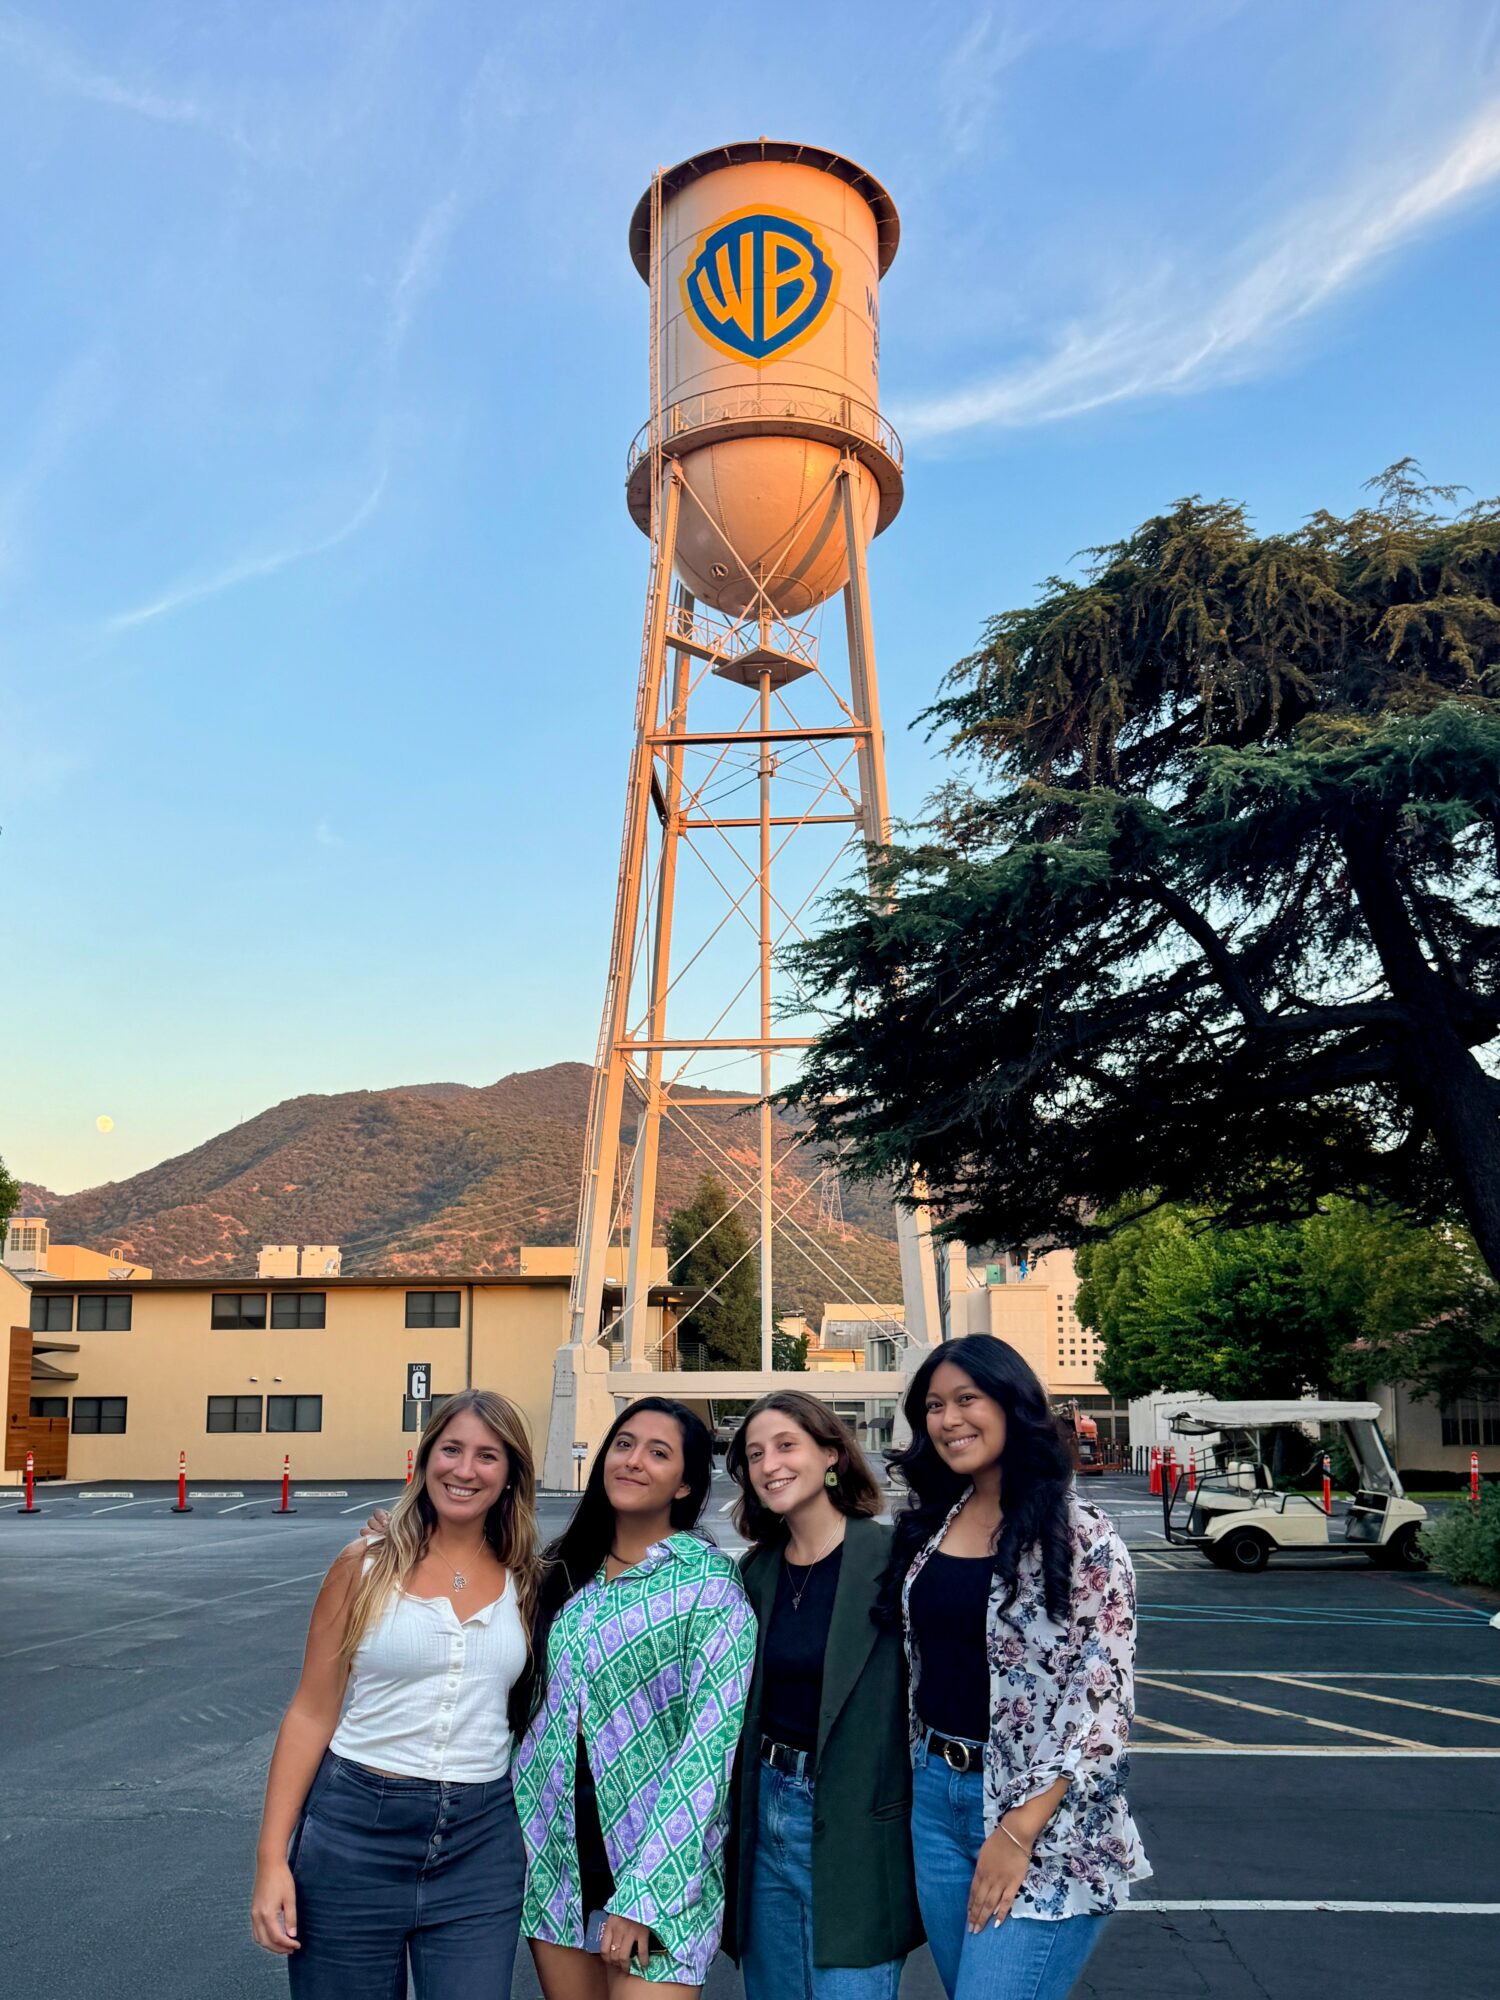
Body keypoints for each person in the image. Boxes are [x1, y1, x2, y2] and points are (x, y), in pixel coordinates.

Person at [881, 1335, 1150, 2000]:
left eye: (967, 1399)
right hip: (935, 1803)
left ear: (1012, 1403)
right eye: (935, 1407)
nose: (949, 1420)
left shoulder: (1080, 1532)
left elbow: (1102, 1704)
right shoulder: (931, 1527)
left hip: (1042, 1823)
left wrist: (1016, 1829)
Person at [250, 1389, 540, 1998]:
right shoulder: (363, 1566)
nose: (465, 1470)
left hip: (482, 1841)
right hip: (353, 1833)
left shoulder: (529, 1582)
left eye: (487, 1456)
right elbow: (310, 1711)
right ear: (425, 1457)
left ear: (512, 1474)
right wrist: (271, 1860)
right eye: (452, 1449)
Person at [515, 1395, 754, 1997]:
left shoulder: (708, 1586)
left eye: (658, 1453)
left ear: (685, 1485)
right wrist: (399, 1536)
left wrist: (648, 1895)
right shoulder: (560, 1572)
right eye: (623, 1445)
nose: (633, 1461)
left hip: (656, 1864)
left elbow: (709, 1748)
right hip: (556, 1858)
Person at [722, 1391, 923, 2000]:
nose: (769, 1465)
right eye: (755, 1454)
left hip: (856, 1818)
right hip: (765, 1810)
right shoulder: (754, 1572)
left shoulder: (891, 1558)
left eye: (787, 1446)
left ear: (831, 1453)